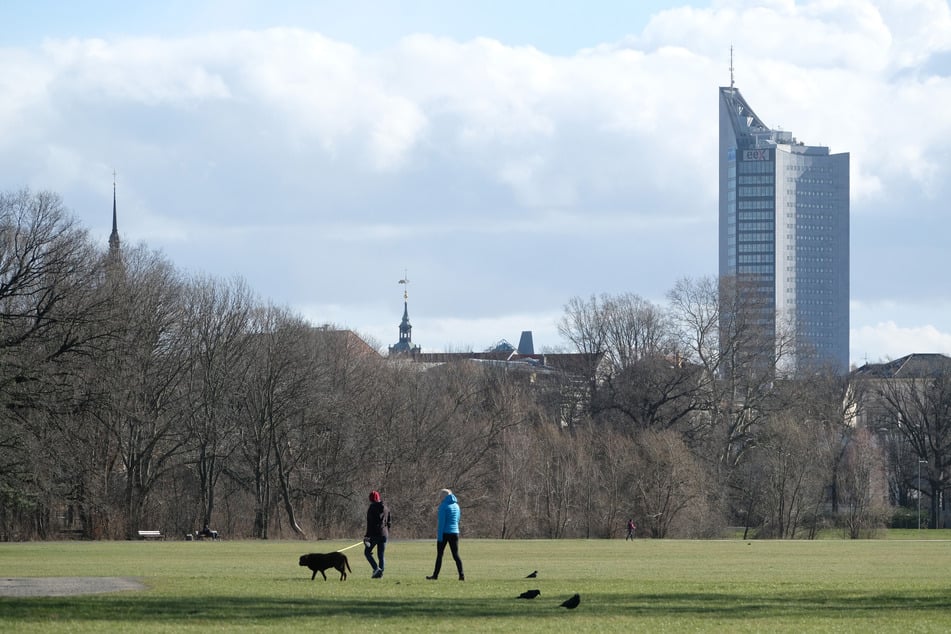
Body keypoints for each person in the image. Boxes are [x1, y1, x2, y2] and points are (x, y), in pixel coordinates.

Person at [427, 488, 464, 581]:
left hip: (445, 533)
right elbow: (458, 519)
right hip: (455, 532)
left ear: (444, 496)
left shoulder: (443, 506)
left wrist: (439, 537)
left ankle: (435, 575)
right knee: (456, 555)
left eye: (440, 495)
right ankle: (461, 575)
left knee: (440, 555)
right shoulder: (456, 506)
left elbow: (441, 523)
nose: (439, 497)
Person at [364, 490, 391, 578]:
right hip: (384, 534)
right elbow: (389, 522)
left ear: (371, 499)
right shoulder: (386, 508)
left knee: (367, 552)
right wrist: (387, 533)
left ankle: (376, 569)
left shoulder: (371, 508)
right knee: (381, 555)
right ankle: (380, 573)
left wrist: (367, 536)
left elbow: (370, 523)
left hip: (375, 534)